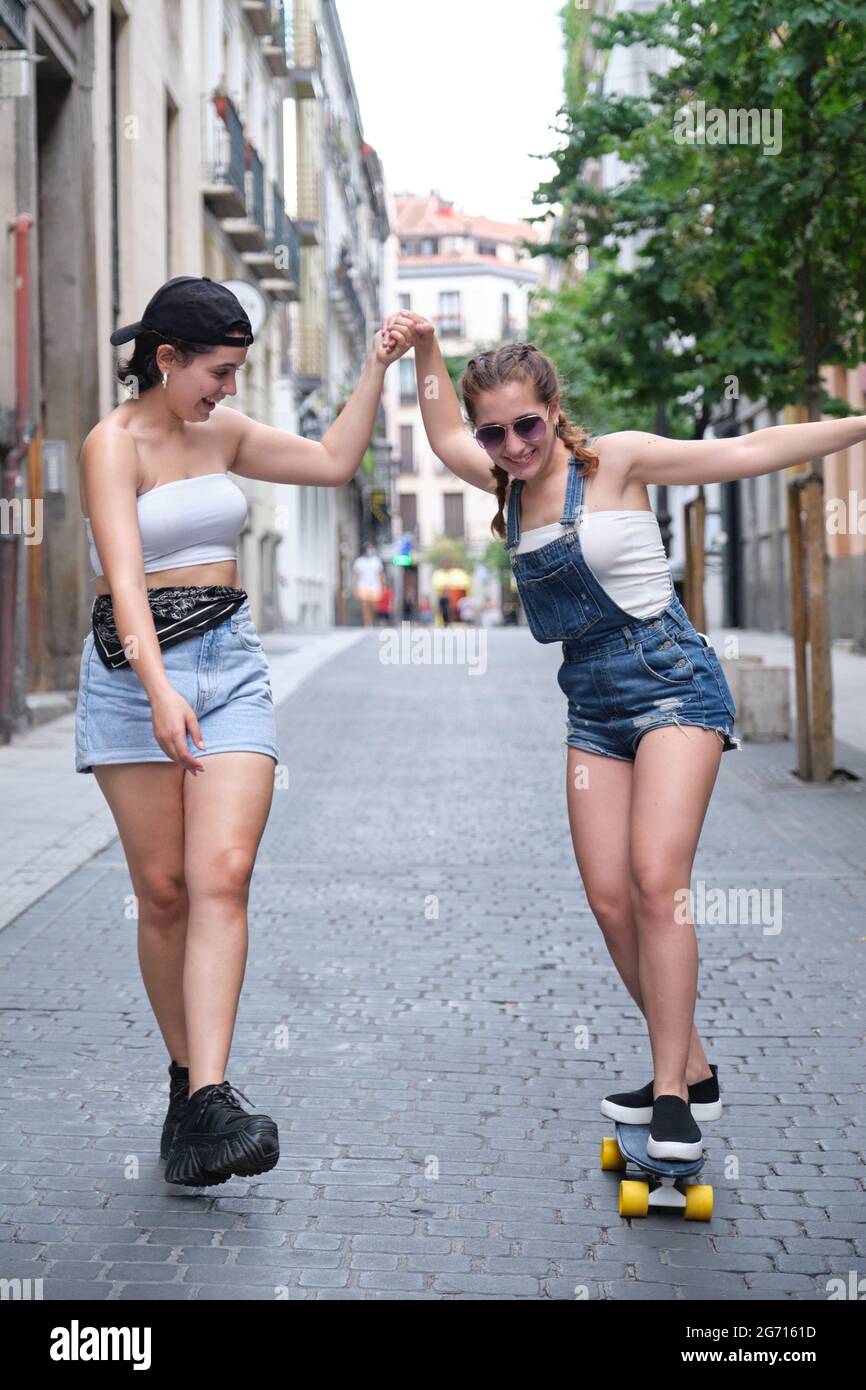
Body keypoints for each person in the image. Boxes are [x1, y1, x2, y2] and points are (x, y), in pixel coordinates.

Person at [379, 309, 866, 1161]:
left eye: (527, 424)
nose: (513, 444)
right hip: (591, 704)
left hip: (673, 680)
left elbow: (748, 453)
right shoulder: (502, 483)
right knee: (610, 901)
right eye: (497, 432)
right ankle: (695, 1065)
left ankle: (672, 1093)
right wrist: (425, 348)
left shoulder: (619, 460)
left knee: (655, 881)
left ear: (554, 407)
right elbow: (441, 426)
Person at [75, 276, 413, 1187]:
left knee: (223, 873)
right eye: (217, 372)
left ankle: (213, 1095)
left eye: (238, 372)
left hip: (229, 665)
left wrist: (380, 367)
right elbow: (126, 577)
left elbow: (335, 461)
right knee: (163, 890)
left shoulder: (222, 432)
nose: (228, 390)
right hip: (130, 674)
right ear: (166, 358)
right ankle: (187, 1088)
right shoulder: (112, 445)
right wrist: (154, 687)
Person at [352, 543, 384, 626]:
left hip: (374, 586)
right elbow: (355, 574)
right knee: (365, 605)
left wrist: (383, 585)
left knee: (373, 606)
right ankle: (367, 623)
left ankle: (371, 619)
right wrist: (354, 587)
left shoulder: (376, 561)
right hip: (363, 586)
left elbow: (380, 574)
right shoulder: (359, 561)